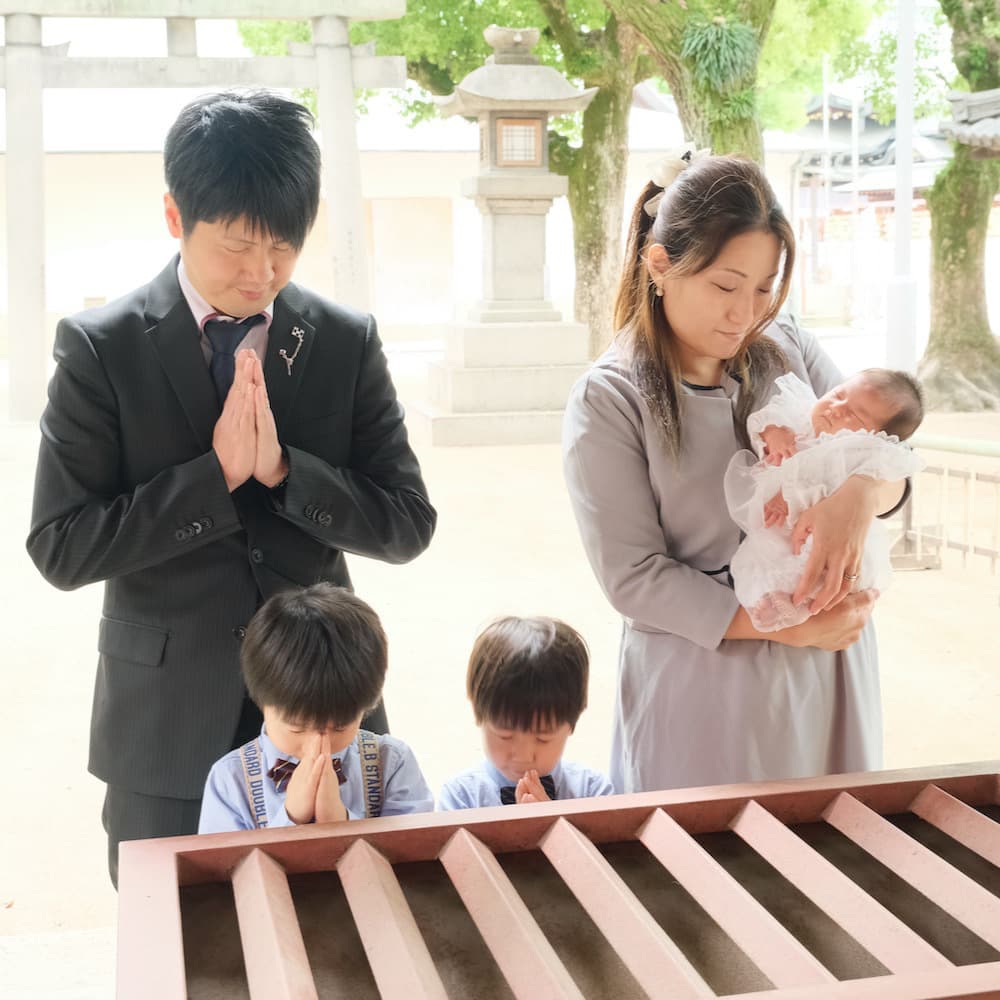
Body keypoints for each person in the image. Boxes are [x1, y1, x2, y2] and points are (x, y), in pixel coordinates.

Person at [26, 91, 436, 883]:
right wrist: (213, 481)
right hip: (165, 728)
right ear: (176, 217)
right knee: (180, 957)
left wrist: (286, 474)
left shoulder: (345, 341)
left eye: (285, 247)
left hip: (328, 719)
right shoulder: (100, 349)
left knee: (340, 938)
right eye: (238, 247)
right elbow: (60, 546)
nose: (262, 274)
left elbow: (408, 523)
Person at [562, 152, 911, 795]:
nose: (745, 313)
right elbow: (634, 577)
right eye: (726, 286)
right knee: (704, 880)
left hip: (829, 669)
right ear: (660, 265)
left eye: (763, 287)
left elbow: (893, 460)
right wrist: (790, 626)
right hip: (705, 680)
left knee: (834, 869)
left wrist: (857, 497)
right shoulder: (609, 398)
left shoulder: (790, 347)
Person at [199, 584, 433, 832]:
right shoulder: (230, 779)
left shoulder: (392, 764)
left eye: (340, 728)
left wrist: (339, 820)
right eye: (297, 729)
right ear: (261, 700)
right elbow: (226, 867)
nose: (318, 747)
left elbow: (415, 856)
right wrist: (291, 818)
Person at [726, 368, 925, 631]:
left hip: (819, 529)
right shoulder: (800, 414)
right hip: (785, 525)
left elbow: (825, 485)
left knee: (814, 561)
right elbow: (766, 421)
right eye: (839, 394)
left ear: (876, 436)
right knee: (762, 553)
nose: (837, 408)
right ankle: (770, 597)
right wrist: (776, 434)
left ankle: (798, 603)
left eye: (855, 415)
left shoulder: (854, 452)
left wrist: (786, 498)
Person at [438, 616, 614, 809]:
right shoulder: (460, 797)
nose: (523, 757)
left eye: (543, 738)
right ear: (479, 714)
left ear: (572, 723)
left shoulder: (594, 792)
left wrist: (552, 821)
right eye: (504, 736)